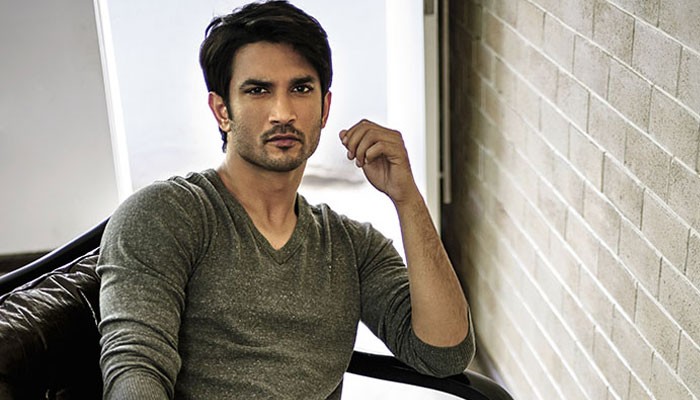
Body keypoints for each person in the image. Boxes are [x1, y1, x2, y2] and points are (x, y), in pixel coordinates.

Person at [97, 1, 474, 399]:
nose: (283, 113)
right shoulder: (167, 215)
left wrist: (407, 198)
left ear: (325, 108)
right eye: (258, 90)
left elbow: (443, 355)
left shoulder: (352, 248)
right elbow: (135, 368)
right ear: (222, 111)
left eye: (300, 89)